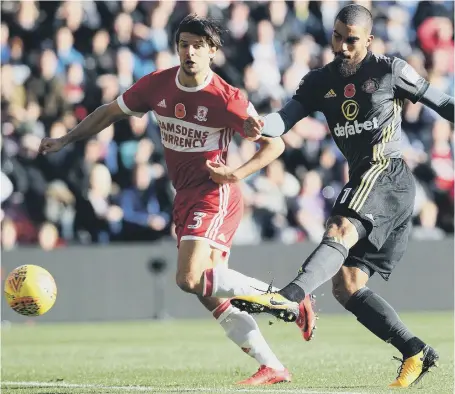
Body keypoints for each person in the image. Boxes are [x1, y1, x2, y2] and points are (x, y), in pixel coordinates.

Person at [38, 14, 315, 386]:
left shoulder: (227, 98)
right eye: (184, 43)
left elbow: (275, 144)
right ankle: (273, 366)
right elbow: (108, 113)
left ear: (213, 52)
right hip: (184, 196)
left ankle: (288, 301)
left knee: (188, 278)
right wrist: (65, 139)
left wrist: (237, 173)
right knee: (207, 290)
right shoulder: (157, 85)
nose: (190, 51)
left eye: (199, 45)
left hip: (214, 194)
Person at [230, 4, 454, 388]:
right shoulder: (319, 81)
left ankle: (289, 296)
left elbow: (444, 102)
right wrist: (258, 125)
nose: (343, 46)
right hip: (373, 183)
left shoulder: (390, 69)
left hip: (386, 172)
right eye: (337, 37)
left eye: (352, 40)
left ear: (368, 40)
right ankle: (415, 350)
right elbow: (285, 118)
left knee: (338, 226)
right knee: (346, 284)